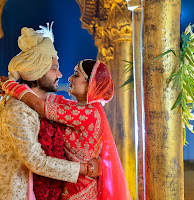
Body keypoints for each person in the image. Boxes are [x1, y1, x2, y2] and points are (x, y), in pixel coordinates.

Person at [1, 57, 131, 199]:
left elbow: (39, 105)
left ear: (90, 83)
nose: (69, 78)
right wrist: (12, 93)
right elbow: (39, 98)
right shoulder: (75, 107)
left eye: (76, 75)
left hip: (82, 190)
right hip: (70, 185)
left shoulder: (89, 112)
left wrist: (9, 85)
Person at [0, 24, 99, 200]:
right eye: (54, 68)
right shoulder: (19, 110)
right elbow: (37, 161)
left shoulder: (40, 105)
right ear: (36, 72)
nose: (60, 74)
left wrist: (8, 83)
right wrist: (85, 169)